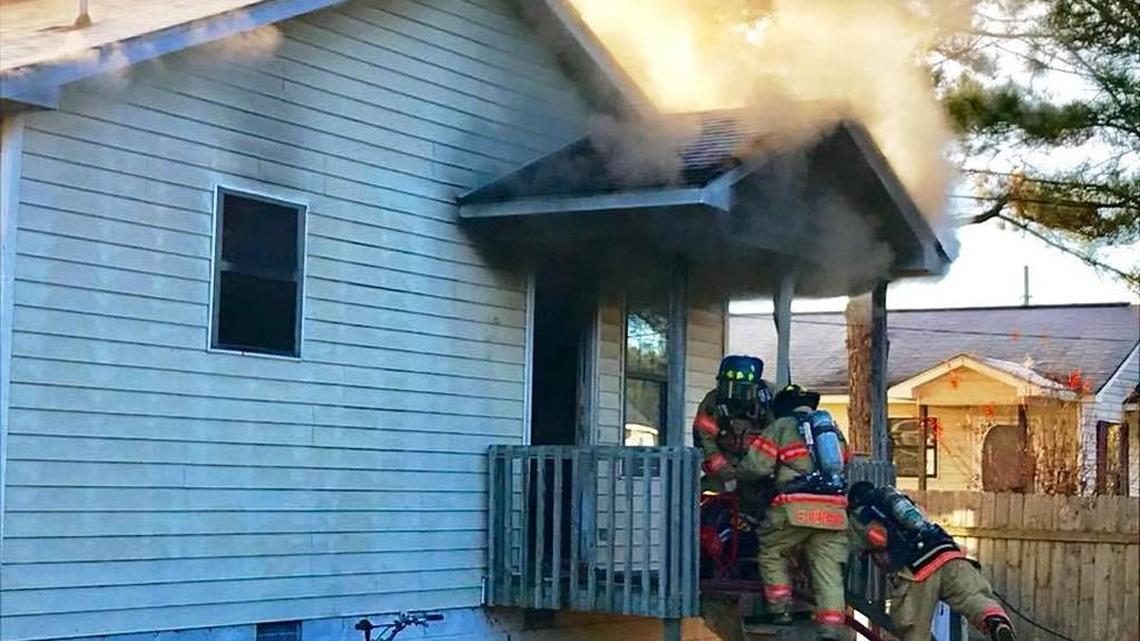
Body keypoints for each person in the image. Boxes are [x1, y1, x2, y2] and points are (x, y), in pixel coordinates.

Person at [738, 383, 851, 640]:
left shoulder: (781, 427)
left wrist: (737, 474)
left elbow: (756, 466)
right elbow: (846, 460)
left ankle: (782, 611)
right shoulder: (831, 430)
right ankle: (831, 628)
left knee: (771, 550)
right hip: (834, 511)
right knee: (828, 568)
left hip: (795, 507)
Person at [847, 481, 1017, 641]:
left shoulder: (861, 514)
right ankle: (995, 621)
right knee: (974, 598)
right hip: (950, 553)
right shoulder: (906, 505)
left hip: (917, 569)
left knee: (911, 630)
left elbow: (850, 544)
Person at [692, 355, 775, 519]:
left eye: (740, 389)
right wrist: (727, 473)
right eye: (727, 387)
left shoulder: (768, 401)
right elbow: (704, 441)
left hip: (758, 471)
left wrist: (757, 471)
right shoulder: (712, 403)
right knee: (702, 503)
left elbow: (777, 438)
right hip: (724, 470)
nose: (733, 395)